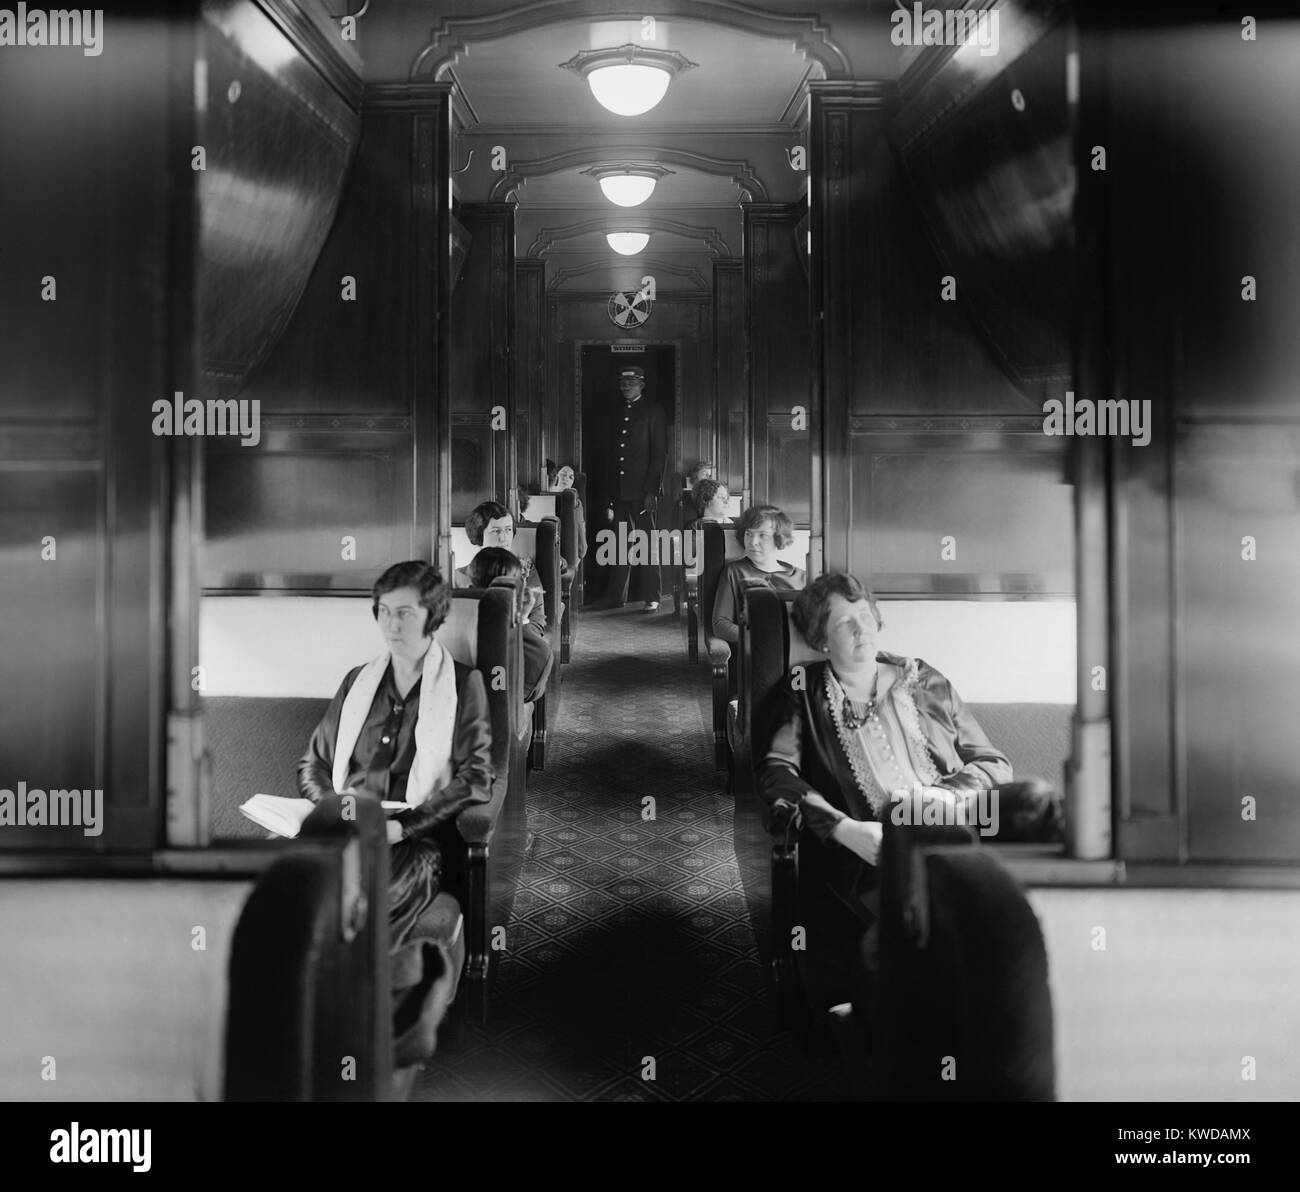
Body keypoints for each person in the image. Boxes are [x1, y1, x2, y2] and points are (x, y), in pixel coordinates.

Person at [754, 572, 1012, 1011]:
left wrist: (948, 796)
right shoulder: (801, 692)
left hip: (954, 835)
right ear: (820, 639)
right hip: (866, 857)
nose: (861, 629)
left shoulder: (924, 680)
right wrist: (842, 828)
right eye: (843, 622)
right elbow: (776, 773)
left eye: (865, 615)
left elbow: (994, 764)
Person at [297, 561, 494, 948]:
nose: (391, 625)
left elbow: (476, 777)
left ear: (432, 616)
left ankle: (358, 983)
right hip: (346, 826)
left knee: (358, 903)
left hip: (412, 839)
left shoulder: (464, 683)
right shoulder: (357, 681)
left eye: (405, 613)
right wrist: (338, 812)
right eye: (384, 612)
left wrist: (403, 827)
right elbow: (313, 764)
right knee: (284, 890)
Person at [591, 364, 667, 612]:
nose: (626, 387)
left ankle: (653, 597)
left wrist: (652, 491)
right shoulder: (616, 412)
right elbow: (612, 456)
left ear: (642, 385)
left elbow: (659, 454)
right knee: (619, 544)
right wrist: (610, 495)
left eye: (631, 383)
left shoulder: (653, 411)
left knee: (648, 544)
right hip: (620, 491)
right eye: (623, 383)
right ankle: (616, 596)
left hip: (644, 492)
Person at [468, 547, 554, 702]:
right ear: (517, 592)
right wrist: (521, 619)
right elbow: (530, 693)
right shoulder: (539, 653)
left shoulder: (451, 626)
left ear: (470, 587)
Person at [711, 503, 806, 644]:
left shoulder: (802, 577)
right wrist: (759, 639)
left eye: (763, 535)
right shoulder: (734, 572)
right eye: (748, 534)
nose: (753, 542)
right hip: (754, 651)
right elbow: (720, 624)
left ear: (778, 539)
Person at [455, 500, 546, 635]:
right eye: (496, 531)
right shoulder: (460, 576)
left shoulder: (525, 569)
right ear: (479, 535)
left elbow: (537, 619)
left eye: (508, 530)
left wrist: (519, 634)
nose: (504, 538)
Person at [545, 460, 587, 567]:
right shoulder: (544, 495)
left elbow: (582, 545)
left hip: (567, 554)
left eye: (571, 477)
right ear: (556, 476)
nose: (566, 479)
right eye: (564, 474)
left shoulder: (576, 504)